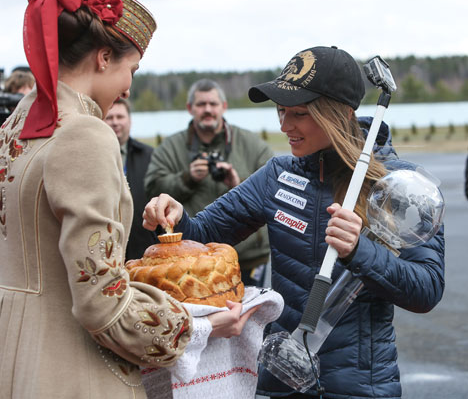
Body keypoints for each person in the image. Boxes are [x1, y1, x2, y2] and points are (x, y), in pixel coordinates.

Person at [0, 0, 257, 399]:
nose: (127, 88)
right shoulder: (84, 131)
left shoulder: (18, 121)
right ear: (103, 57)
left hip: (12, 346)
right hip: (69, 368)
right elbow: (101, 298)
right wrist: (199, 327)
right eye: (132, 69)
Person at [143, 46, 445, 399]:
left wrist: (359, 251)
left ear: (341, 114)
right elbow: (203, 234)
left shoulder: (398, 184)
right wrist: (174, 217)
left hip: (362, 387)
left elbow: (426, 289)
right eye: (281, 111)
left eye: (299, 114)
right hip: (281, 380)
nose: (285, 126)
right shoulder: (277, 175)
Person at [144, 78, 274, 286]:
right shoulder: (171, 147)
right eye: (201, 104)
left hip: (250, 257)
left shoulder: (252, 144)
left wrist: (238, 184)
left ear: (224, 106)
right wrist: (187, 179)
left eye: (213, 104)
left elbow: (273, 188)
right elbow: (152, 188)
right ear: (189, 108)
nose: (207, 110)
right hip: (192, 259)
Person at [105, 97, 155, 260]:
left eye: (120, 117)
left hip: (142, 245)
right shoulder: (92, 157)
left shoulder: (150, 156)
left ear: (130, 121)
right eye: (110, 118)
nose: (115, 122)